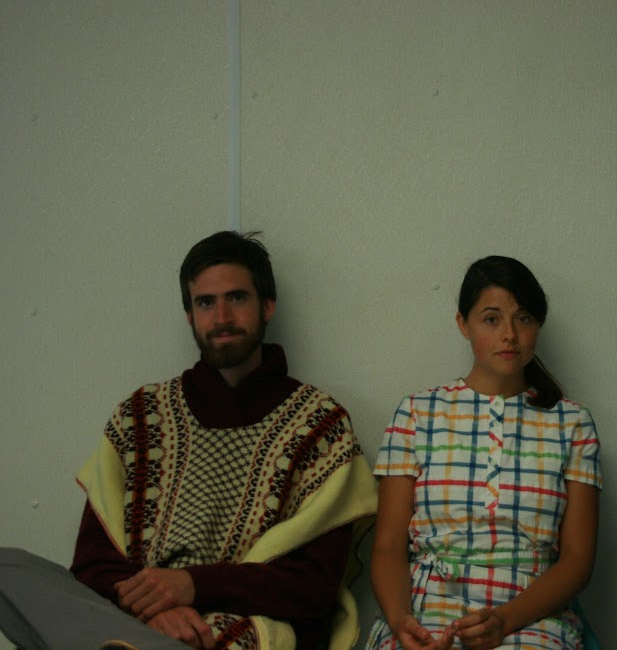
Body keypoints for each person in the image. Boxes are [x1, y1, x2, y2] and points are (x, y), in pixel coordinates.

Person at [0, 231, 378, 650]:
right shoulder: (139, 415)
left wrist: (192, 586)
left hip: (243, 624)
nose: (221, 317)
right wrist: (156, 609)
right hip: (136, 616)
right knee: (10, 569)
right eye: (205, 303)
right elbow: (92, 565)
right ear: (189, 315)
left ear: (267, 306)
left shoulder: (319, 425)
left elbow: (312, 586)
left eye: (237, 298)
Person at [365, 256, 602, 650]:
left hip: (529, 617)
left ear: (538, 324)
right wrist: (401, 621)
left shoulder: (572, 424)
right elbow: (388, 545)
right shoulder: (417, 413)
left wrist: (504, 620)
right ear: (463, 324)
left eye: (523, 318)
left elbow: (578, 559)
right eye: (491, 319)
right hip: (424, 610)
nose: (509, 334)